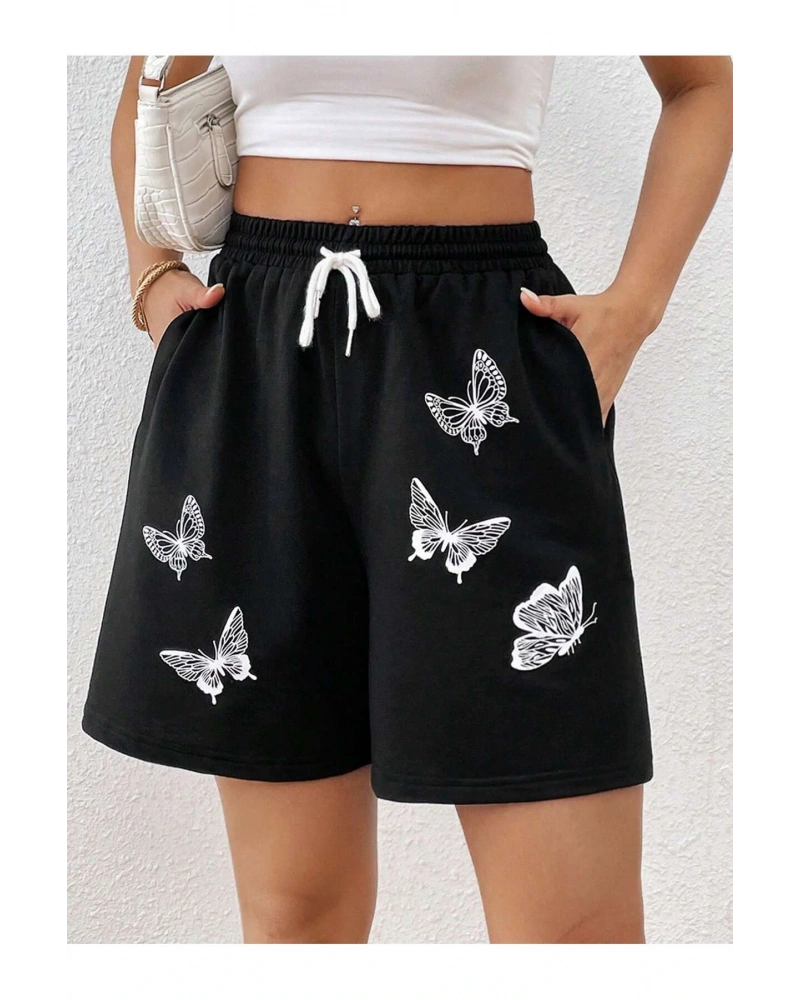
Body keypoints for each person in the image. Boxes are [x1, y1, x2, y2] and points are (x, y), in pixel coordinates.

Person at [81, 55, 735, 944]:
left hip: (480, 345)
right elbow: (145, 81)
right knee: (294, 914)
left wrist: (634, 310)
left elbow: (706, 83)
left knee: (575, 931)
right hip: (262, 361)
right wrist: (152, 276)